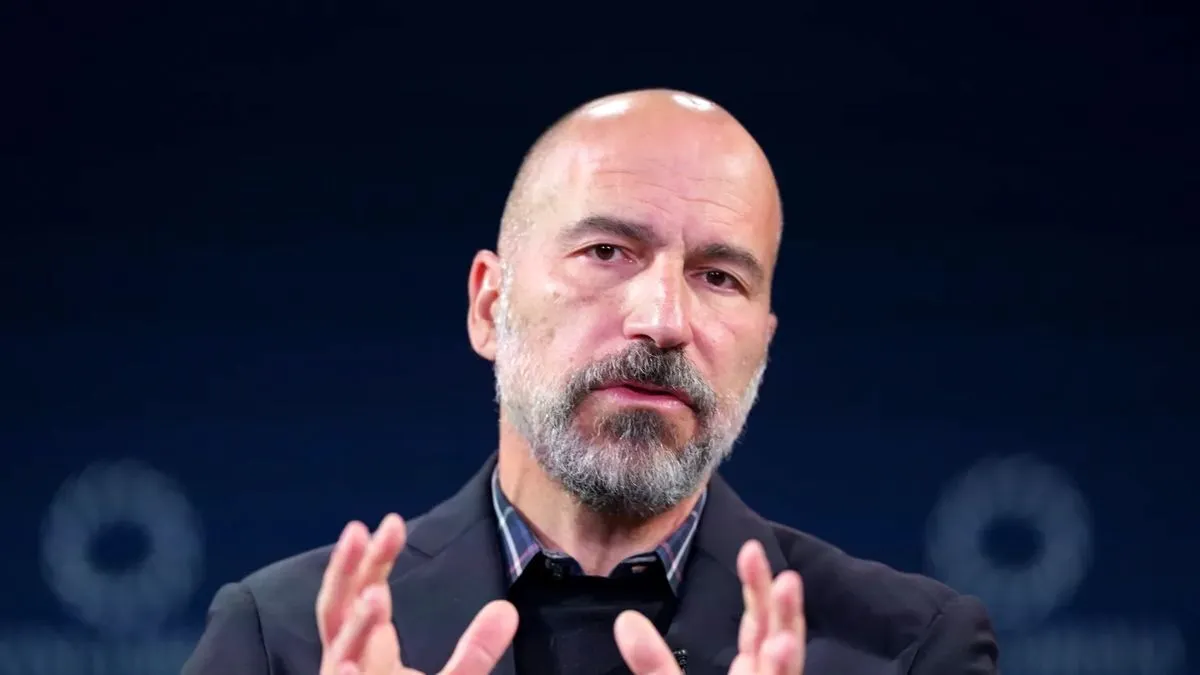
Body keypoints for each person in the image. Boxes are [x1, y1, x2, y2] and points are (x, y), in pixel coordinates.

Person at [181, 89, 999, 675]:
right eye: (607, 252)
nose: (664, 319)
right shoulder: (282, 639)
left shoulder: (910, 648)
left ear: (763, 343)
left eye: (719, 276)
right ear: (489, 305)